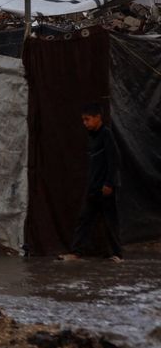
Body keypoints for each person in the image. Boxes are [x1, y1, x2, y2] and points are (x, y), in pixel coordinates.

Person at [60, 103, 123, 262]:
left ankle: (117, 254)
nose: (85, 123)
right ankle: (76, 252)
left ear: (97, 118)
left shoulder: (106, 134)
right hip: (93, 188)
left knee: (110, 221)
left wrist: (109, 183)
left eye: (88, 119)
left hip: (105, 188)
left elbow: (114, 159)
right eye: (83, 120)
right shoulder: (93, 137)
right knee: (85, 219)